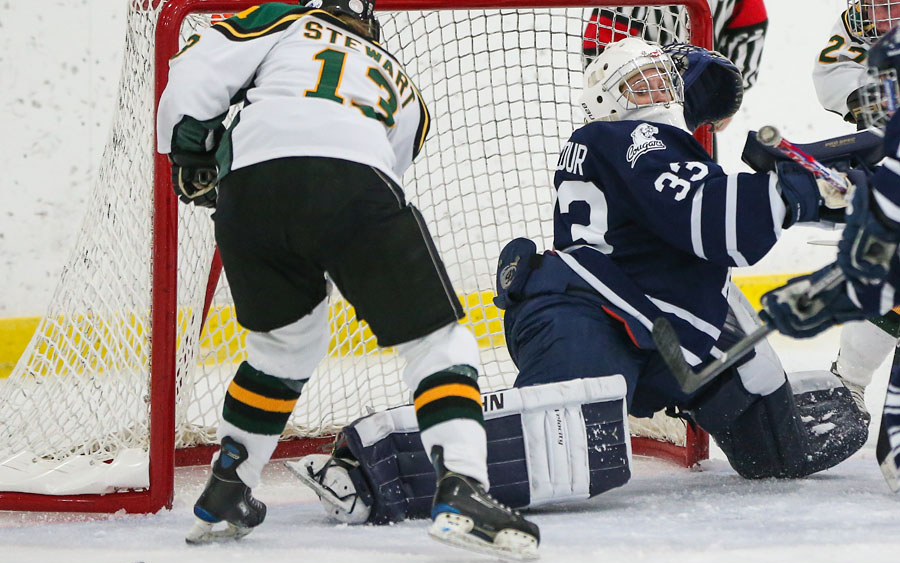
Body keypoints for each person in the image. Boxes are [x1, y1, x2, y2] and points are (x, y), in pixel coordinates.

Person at [293, 39, 869, 526]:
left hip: (657, 320)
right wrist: (798, 187)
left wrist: (836, 190)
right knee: (561, 443)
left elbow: (704, 217)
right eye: (639, 86)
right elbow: (716, 225)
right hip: (589, 311)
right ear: (606, 102)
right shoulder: (633, 138)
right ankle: (370, 465)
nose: (658, 93)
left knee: (773, 444)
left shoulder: (645, 144)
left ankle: (802, 408)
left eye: (662, 81)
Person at [156, 0, 539, 561]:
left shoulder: (280, 19)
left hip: (249, 195)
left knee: (283, 346)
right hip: (351, 181)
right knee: (437, 338)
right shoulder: (400, 79)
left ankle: (228, 489)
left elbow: (196, 71)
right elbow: (387, 167)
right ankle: (462, 487)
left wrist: (189, 154)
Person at [812, 0, 900, 421]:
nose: (880, 20)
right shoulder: (861, 16)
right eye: (876, 8)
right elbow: (833, 71)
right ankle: (848, 380)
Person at [582, 0, 768, 131]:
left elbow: (751, 25)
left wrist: (723, 93)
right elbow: (599, 46)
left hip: (694, 109)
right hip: (633, 112)